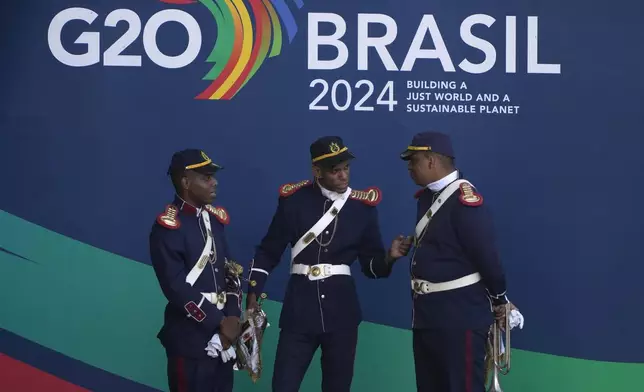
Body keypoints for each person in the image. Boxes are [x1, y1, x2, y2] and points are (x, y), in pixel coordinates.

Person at [245, 136, 410, 392]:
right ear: (316, 171)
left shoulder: (362, 209)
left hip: (342, 313)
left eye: (346, 168)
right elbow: (269, 251)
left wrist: (389, 257)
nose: (343, 176)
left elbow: (371, 267)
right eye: (335, 170)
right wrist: (254, 291)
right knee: (283, 386)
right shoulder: (293, 201)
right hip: (299, 311)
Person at [399, 131, 521, 392]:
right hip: (427, 317)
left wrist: (500, 299)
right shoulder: (427, 198)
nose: (409, 167)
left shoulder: (465, 200)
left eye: (414, 160)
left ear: (431, 160)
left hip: (459, 318)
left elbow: (487, 257)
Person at [149, 149, 243, 392]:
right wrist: (218, 322)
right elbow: (175, 286)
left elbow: (231, 272)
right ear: (185, 182)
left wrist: (232, 317)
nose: (214, 182)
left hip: (225, 338)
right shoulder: (169, 226)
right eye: (206, 177)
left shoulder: (215, 221)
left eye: (212, 176)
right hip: (190, 338)